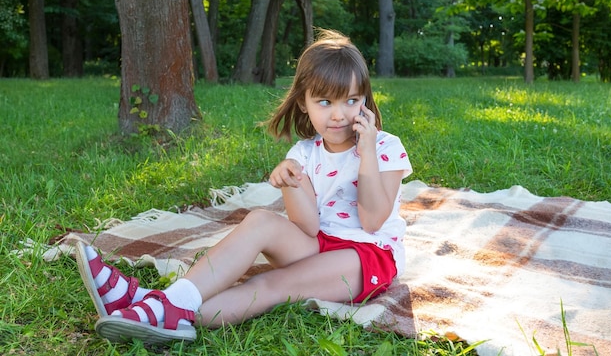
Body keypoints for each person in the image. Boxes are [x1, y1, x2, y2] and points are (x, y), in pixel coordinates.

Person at [76, 29, 412, 344]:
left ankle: (161, 312)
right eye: (325, 102)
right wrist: (291, 185)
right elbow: (308, 227)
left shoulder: (384, 147)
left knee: (269, 284)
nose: (338, 114)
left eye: (350, 101)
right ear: (303, 103)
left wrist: (365, 151)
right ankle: (160, 306)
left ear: (364, 100)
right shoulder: (305, 153)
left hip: (368, 255)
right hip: (319, 243)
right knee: (260, 220)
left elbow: (372, 221)